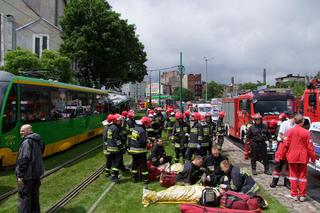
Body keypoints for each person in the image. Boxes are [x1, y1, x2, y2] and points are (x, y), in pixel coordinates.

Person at [284, 114, 316, 202]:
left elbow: (286, 145)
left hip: (292, 156)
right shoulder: (306, 133)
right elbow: (310, 147)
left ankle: (294, 194)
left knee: (293, 176)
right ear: (302, 122)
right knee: (302, 177)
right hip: (303, 157)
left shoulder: (289, 132)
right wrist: (313, 158)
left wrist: (282, 155)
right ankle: (302, 195)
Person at [15, 124, 45, 213]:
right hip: (36, 174)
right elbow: (41, 152)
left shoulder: (26, 142)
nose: (20, 133)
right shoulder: (39, 140)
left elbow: (24, 159)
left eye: (22, 131)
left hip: (27, 176)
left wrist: (20, 176)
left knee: (24, 198)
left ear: (29, 131)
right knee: (35, 197)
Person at [270, 113, 295, 188]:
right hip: (282, 145)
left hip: (291, 146)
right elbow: (281, 135)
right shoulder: (285, 124)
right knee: (279, 164)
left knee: (289, 165)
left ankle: (287, 182)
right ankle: (274, 181)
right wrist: (287, 140)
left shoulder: (295, 125)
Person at [128, 116, 152, 184]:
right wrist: (149, 145)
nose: (148, 125)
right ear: (144, 123)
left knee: (134, 165)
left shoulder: (135, 128)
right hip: (140, 151)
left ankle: (134, 178)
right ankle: (145, 180)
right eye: (147, 124)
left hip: (133, 150)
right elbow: (143, 142)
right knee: (143, 165)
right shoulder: (142, 131)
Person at [106, 114, 124, 183]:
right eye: (119, 121)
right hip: (115, 148)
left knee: (114, 162)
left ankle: (113, 175)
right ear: (115, 121)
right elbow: (117, 139)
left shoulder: (110, 127)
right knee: (117, 162)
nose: (121, 122)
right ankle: (114, 176)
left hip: (110, 147)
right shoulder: (116, 128)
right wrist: (121, 147)